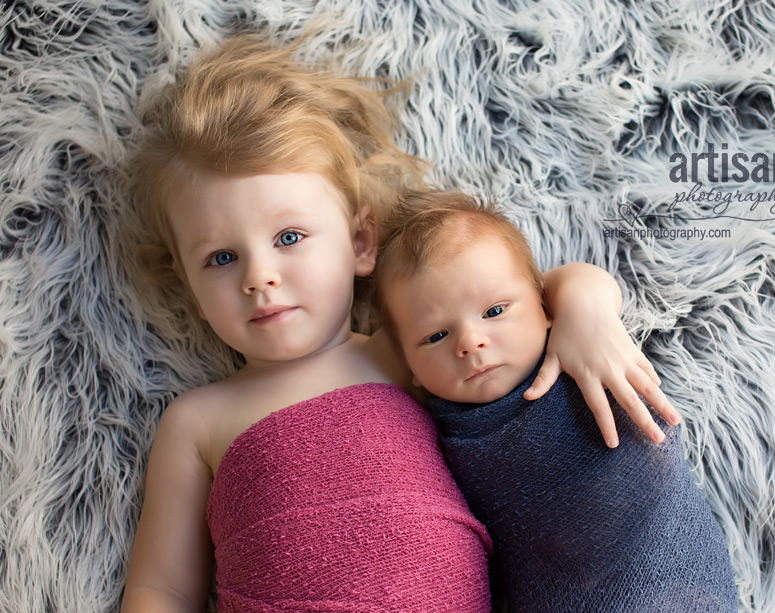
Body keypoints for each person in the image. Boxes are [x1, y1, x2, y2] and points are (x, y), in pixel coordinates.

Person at [120, 36, 680, 612]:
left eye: (289, 238)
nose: (258, 277)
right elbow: (161, 587)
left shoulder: (412, 351)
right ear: (188, 282)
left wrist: (587, 308)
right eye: (221, 258)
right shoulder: (196, 421)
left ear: (360, 242)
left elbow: (524, 298)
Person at [374, 190, 738, 612]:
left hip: (677, 578)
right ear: (409, 365)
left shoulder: (571, 348)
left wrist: (587, 313)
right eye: (435, 336)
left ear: (545, 304)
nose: (471, 342)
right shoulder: (428, 430)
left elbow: (585, 279)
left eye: (494, 311)